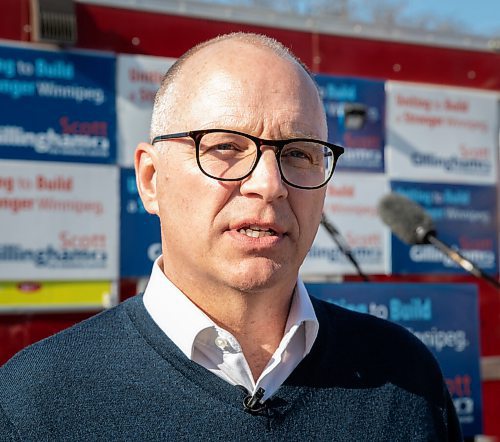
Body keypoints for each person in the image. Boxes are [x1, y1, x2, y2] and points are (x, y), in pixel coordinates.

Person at [0, 32, 461, 441]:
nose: (270, 184)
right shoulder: (35, 402)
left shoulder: (406, 376)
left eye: (299, 153)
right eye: (224, 146)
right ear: (151, 180)